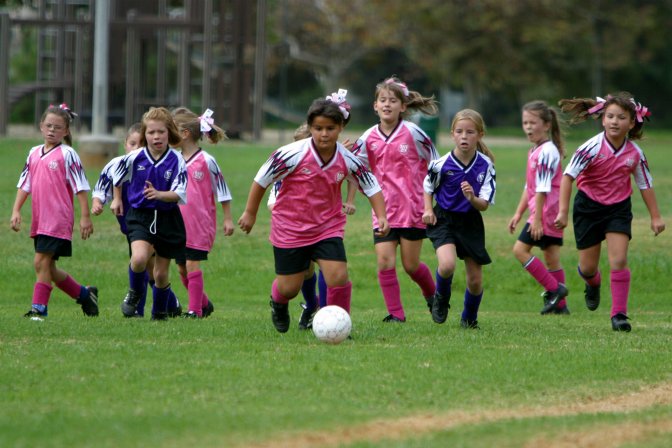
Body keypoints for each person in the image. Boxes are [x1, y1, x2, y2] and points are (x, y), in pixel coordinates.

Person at [238, 94, 389, 333]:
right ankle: (278, 303)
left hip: (327, 226)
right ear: (310, 128)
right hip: (290, 228)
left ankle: (341, 327)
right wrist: (249, 213)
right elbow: (262, 178)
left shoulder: (347, 158)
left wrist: (381, 215)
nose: (324, 134)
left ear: (340, 128)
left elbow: (370, 185)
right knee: (289, 288)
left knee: (338, 276)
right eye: (318, 128)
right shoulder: (292, 153)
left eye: (330, 128)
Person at [555, 92, 665, 332]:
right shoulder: (591, 148)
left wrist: (656, 217)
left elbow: (645, 183)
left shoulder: (635, 153)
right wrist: (562, 212)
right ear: (603, 119)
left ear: (632, 122)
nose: (615, 121)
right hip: (588, 209)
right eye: (610, 116)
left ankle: (619, 315)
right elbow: (567, 177)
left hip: (618, 209)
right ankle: (592, 284)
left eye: (621, 117)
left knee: (619, 260)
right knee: (587, 268)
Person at [352, 76, 439, 323]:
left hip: (413, 210)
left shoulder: (414, 133)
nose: (387, 104)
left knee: (411, 265)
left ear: (403, 106)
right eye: (382, 100)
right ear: (375, 106)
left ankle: (434, 297)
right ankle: (396, 314)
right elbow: (355, 168)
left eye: (392, 100)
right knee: (384, 261)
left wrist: (430, 200)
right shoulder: (368, 137)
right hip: (383, 210)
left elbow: (436, 163)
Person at [11, 103, 99, 319]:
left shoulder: (68, 154)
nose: (52, 130)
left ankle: (39, 309)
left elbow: (80, 186)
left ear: (66, 131)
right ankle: (85, 295)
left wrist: (85, 217)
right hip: (40, 220)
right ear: (41, 126)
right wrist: (16, 210)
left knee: (40, 262)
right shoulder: (33, 153)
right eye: (48, 125)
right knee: (48, 268)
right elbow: (25, 184)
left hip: (58, 219)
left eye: (58, 127)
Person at [91, 123, 182, 317]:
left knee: (151, 266)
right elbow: (103, 185)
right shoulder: (119, 163)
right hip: (132, 223)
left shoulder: (156, 161)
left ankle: (144, 310)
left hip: (155, 220)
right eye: (133, 143)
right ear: (125, 144)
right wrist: (98, 202)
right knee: (146, 266)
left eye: (141, 144)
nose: (137, 148)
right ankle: (170, 303)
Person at [111, 107, 188, 320]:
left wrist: (159, 194)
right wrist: (117, 199)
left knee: (161, 274)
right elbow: (116, 177)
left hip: (167, 218)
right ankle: (134, 293)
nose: (156, 137)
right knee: (139, 259)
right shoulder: (134, 158)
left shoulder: (177, 160)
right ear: (144, 135)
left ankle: (159, 313)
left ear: (169, 133)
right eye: (151, 132)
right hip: (139, 215)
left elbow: (179, 193)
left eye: (161, 132)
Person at [422, 109, 496, 329]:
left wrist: (471, 197)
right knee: (447, 265)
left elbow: (483, 205)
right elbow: (428, 186)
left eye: (470, 132)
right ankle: (440, 300)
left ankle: (469, 318)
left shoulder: (485, 165)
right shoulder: (441, 164)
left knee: (475, 281)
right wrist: (428, 209)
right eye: (460, 132)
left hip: (470, 221)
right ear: (452, 134)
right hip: (444, 219)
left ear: (480, 135)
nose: (465, 136)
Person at [508, 101, 569, 315]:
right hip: (543, 212)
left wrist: (536, 219)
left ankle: (555, 290)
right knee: (551, 257)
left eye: (533, 122)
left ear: (546, 125)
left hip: (545, 213)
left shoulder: (547, 151)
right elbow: (530, 187)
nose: (528, 127)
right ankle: (560, 308)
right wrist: (518, 213)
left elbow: (543, 188)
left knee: (520, 250)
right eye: (525, 122)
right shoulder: (535, 150)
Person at [172, 107, 234, 318]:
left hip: (199, 224)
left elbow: (223, 191)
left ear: (184, 133)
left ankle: (195, 311)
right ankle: (204, 303)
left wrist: (227, 219)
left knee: (191, 264)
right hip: (177, 224)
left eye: (171, 130)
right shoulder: (173, 159)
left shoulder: (206, 161)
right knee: (181, 268)